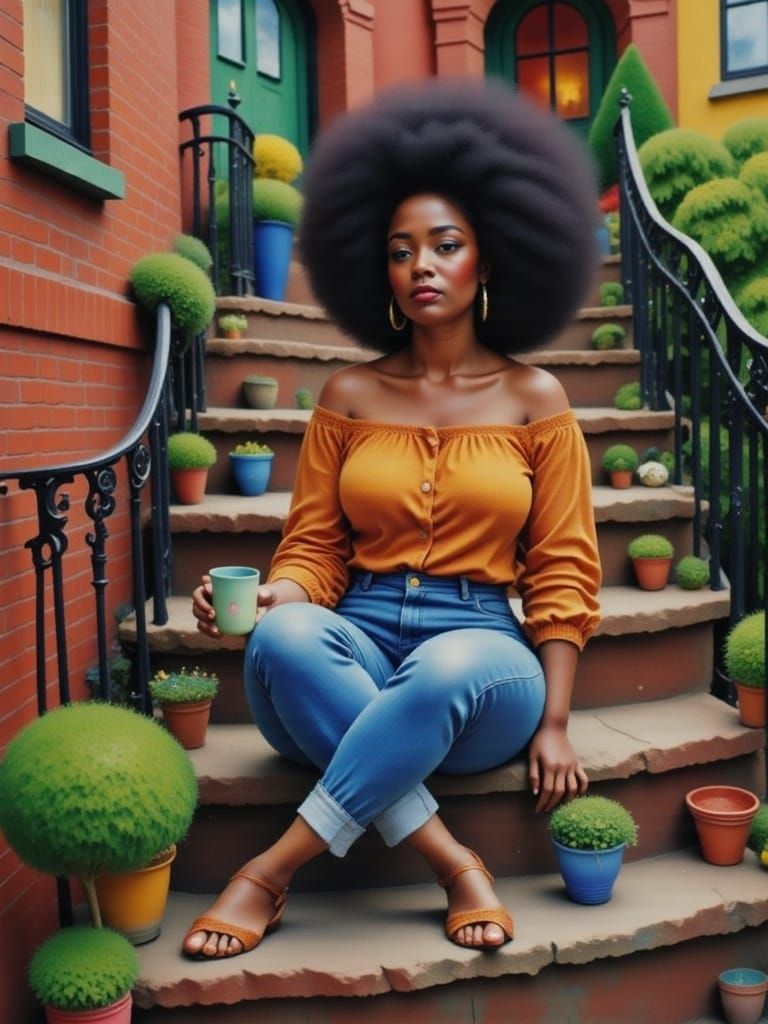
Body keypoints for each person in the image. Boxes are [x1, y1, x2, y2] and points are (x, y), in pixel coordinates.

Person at [183, 79, 602, 960]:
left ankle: (271, 869)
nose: (422, 265)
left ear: (487, 260)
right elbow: (315, 549)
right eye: (400, 249)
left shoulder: (537, 399)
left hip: (484, 655)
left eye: (446, 245)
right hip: (359, 634)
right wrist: (276, 595)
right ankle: (452, 861)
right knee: (288, 641)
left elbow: (563, 569)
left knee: (445, 666)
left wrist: (556, 721)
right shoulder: (349, 394)